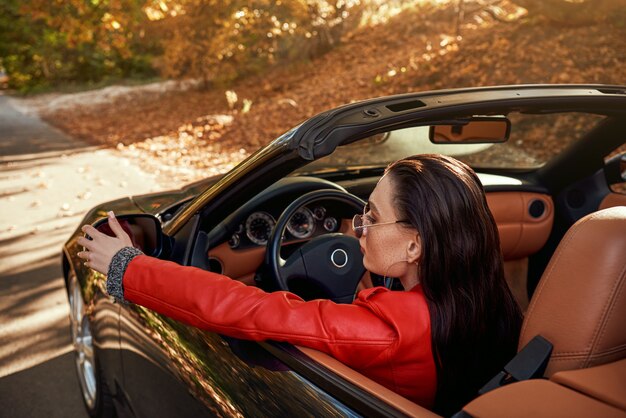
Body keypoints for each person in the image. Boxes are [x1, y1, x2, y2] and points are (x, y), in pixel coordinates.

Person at [77, 154, 522, 416]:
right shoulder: (489, 299)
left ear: (415, 246)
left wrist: (127, 267)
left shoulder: (384, 330)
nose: (357, 228)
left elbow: (243, 307)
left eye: (372, 217)